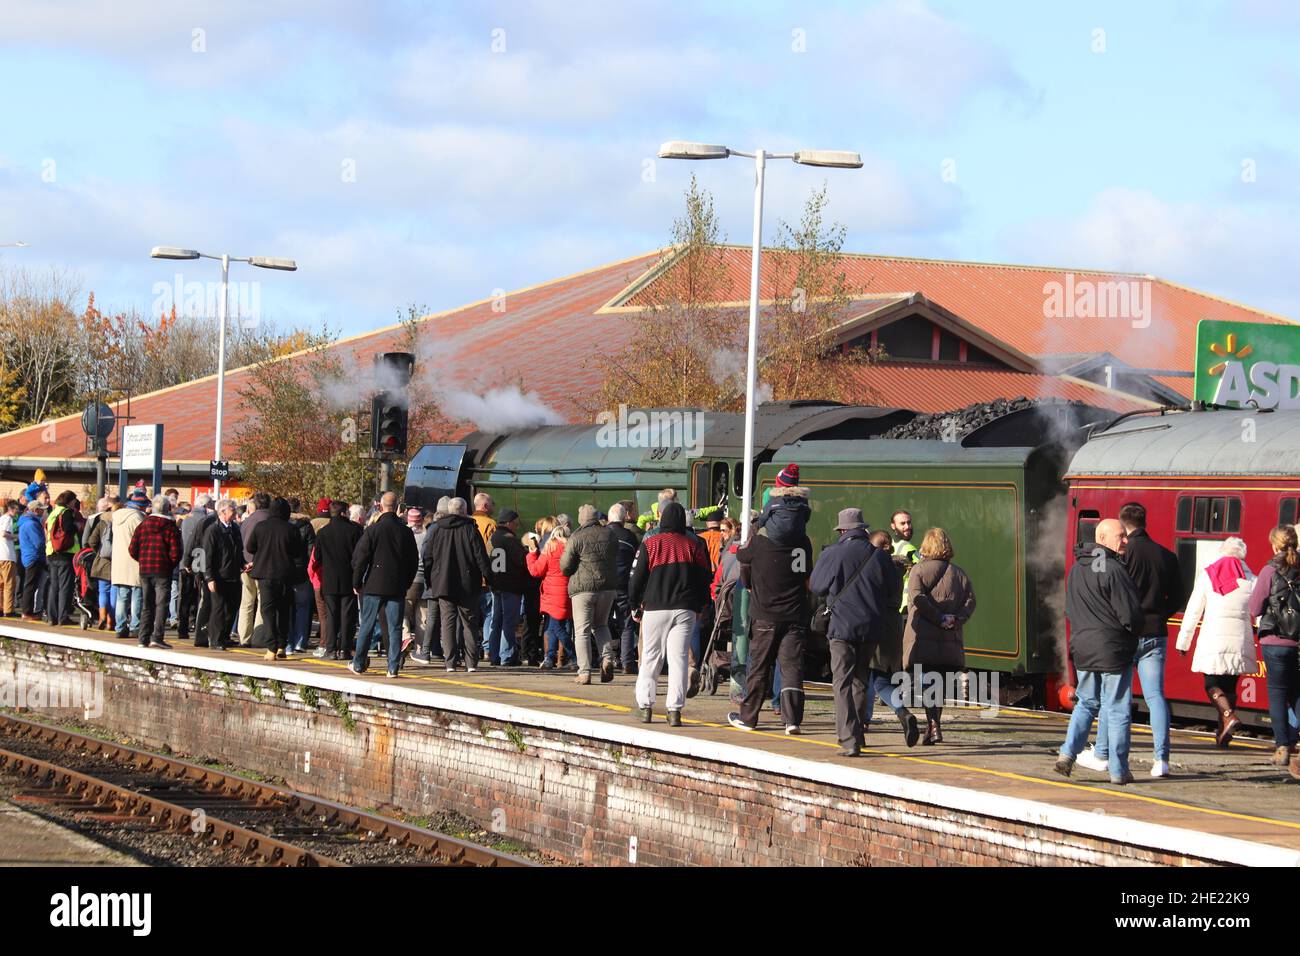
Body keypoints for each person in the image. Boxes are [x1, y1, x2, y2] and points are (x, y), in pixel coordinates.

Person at [1080, 503, 1181, 777]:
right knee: (1156, 696)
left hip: (1125, 634)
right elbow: (1179, 598)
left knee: (1113, 697)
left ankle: (1102, 753)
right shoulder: (1167, 555)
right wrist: (1158, 616)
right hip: (1156, 633)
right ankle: (1161, 760)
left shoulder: (1119, 555)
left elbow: (1107, 592)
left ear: (1124, 526)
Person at [1056, 518, 1144, 784]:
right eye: (1121, 536)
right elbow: (1130, 613)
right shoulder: (1114, 570)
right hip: (1113, 648)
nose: (1126, 540)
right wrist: (1136, 632)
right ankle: (1118, 770)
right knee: (1117, 708)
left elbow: (1069, 610)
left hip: (1083, 647)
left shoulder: (1076, 570)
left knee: (1086, 702)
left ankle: (1067, 754)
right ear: (1102, 539)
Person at [808, 509, 900, 755]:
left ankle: (849, 739)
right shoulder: (880, 557)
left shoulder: (832, 553)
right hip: (871, 627)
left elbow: (816, 586)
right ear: (863, 529)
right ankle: (859, 734)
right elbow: (893, 589)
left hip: (841, 627)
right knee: (861, 679)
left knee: (842, 682)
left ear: (842, 531)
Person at [728, 492, 813, 735]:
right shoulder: (804, 542)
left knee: (759, 666)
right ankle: (792, 720)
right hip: (795, 613)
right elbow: (806, 574)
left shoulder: (760, 542)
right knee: (792, 668)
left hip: (765, 613)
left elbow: (742, 559)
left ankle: (749, 717)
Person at [1173, 537, 1259, 754]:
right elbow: (1258, 611)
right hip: (1239, 640)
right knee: (1230, 687)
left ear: (1222, 552)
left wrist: (1184, 641)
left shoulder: (1208, 576)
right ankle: (1223, 735)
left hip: (1213, 637)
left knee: (1211, 683)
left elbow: (1193, 611)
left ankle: (1228, 717)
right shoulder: (1251, 579)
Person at [630, 501, 711, 726]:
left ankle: (645, 706)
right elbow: (705, 577)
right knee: (679, 659)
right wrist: (702, 605)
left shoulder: (651, 543)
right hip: (685, 609)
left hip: (655, 607)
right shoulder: (693, 544)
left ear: (662, 519)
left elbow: (636, 577)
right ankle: (674, 710)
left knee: (651, 656)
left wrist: (634, 604)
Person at [903, 527, 976, 746]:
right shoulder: (959, 574)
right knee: (938, 683)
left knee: (927, 681)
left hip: (923, 636)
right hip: (949, 639)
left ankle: (934, 725)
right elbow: (971, 602)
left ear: (926, 545)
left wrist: (937, 617)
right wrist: (955, 619)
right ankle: (933, 726)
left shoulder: (918, 570)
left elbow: (916, 597)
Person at [347, 491, 418, 677]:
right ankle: (392, 667)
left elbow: (360, 558)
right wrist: (406, 582)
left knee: (367, 626)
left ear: (380, 506)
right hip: (397, 586)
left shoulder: (373, 530)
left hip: (373, 585)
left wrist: (357, 581)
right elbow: (413, 561)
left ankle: (359, 663)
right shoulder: (406, 531)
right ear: (398, 507)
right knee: (395, 627)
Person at [1248, 525, 1300, 779]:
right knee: (1298, 693)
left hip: (1275, 642)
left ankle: (1282, 747)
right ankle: (1292, 740)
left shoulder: (1269, 570)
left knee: (1278, 694)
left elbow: (1255, 606)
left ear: (1275, 545)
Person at [865, 529, 920, 746]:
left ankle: (863, 721)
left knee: (869, 678)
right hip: (894, 625)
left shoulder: (874, 568)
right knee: (882, 679)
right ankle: (903, 713)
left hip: (875, 625)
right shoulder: (897, 567)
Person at [560, 503, 620, 685]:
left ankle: (584, 672)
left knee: (582, 631)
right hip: (608, 588)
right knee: (601, 626)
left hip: (583, 590)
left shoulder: (577, 537)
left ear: (581, 520)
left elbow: (565, 566)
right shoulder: (610, 534)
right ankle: (608, 658)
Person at [246, 497, 304, 661]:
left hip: (264, 574)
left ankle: (270, 647)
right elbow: (297, 552)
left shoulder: (260, 527)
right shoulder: (291, 529)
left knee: (268, 610)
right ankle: (281, 645)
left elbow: (251, 547)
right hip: (285, 575)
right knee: (283, 611)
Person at [128, 495, 182, 649]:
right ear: (168, 509)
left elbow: (132, 549)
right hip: (162, 571)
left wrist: (142, 560)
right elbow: (176, 553)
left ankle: (142, 639)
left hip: (145, 570)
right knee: (161, 604)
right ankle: (157, 637)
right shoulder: (171, 527)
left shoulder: (143, 525)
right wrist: (169, 565)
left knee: (147, 604)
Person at [312, 500, 362, 660]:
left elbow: (317, 557)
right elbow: (360, 556)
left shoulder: (323, 533)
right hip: (349, 578)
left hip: (329, 578)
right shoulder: (355, 531)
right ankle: (345, 649)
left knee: (331, 615)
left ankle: (331, 649)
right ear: (343, 513)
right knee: (348, 615)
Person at [527, 522, 574, 670]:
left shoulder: (550, 547)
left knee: (555, 627)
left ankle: (574, 657)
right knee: (554, 627)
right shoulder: (571, 548)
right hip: (567, 592)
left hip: (552, 594)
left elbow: (536, 571)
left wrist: (532, 554)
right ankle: (550, 657)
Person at [486, 508, 529, 667]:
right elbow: (522, 561)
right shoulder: (510, 539)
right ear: (509, 523)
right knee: (509, 621)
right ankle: (507, 655)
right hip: (511, 585)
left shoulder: (493, 538)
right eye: (516, 524)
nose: (517, 527)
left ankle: (494, 654)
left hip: (496, 585)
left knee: (496, 621)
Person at [197, 498, 242, 651]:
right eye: (232, 510)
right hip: (219, 575)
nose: (235, 513)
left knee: (233, 607)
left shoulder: (235, 529)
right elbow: (207, 556)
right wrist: (209, 577)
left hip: (234, 574)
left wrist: (243, 564)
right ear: (222, 512)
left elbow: (238, 550)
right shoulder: (213, 530)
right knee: (218, 608)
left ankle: (224, 635)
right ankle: (216, 639)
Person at [607, 502, 640, 674]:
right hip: (624, 585)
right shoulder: (629, 537)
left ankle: (607, 658)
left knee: (602, 624)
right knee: (626, 623)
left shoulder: (603, 534)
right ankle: (627, 661)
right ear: (623, 518)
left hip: (605, 585)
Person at [111, 489, 149, 638]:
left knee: (122, 596)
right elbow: (143, 539)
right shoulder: (137, 518)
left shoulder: (116, 516)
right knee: (136, 595)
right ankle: (135, 626)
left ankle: (119, 627)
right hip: (134, 561)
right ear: (140, 506)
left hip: (119, 561)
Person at [178, 493, 215, 643]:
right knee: (201, 597)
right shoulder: (207, 521)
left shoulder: (186, 520)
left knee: (184, 597)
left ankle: (182, 628)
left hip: (184, 562)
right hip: (199, 563)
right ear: (207, 506)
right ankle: (199, 628)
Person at [286, 497, 317, 653]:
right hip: (303, 571)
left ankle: (288, 643)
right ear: (298, 508)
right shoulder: (306, 526)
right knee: (303, 608)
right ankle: (300, 641)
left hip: (286, 571)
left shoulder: (283, 525)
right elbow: (312, 550)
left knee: (287, 607)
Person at [45, 490, 81, 626]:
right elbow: (67, 528)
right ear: (69, 501)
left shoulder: (53, 513)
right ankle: (63, 617)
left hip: (51, 552)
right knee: (65, 586)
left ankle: (51, 617)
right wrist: (76, 527)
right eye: (74, 501)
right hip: (65, 553)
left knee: (54, 586)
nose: (75, 504)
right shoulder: (65, 512)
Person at [83, 498, 119, 631]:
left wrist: (98, 551)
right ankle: (111, 621)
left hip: (102, 561)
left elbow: (91, 541)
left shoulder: (102, 523)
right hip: (117, 562)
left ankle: (102, 616)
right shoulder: (121, 523)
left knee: (103, 590)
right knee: (114, 591)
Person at [754, 465, 810, 546]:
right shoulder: (803, 501)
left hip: (776, 536)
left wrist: (757, 526)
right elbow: (807, 517)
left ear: (779, 484)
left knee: (758, 529)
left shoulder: (774, 500)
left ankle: (746, 549)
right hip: (797, 536)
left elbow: (763, 518)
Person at [471, 492, 497, 659]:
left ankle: (471, 647)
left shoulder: (467, 522)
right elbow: (494, 553)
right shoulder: (491, 524)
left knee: (470, 616)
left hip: (468, 578)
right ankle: (487, 648)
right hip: (485, 579)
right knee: (489, 614)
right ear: (486, 506)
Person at [18, 500, 47, 623]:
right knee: (30, 585)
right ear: (35, 510)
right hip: (34, 557)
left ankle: (27, 611)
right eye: (41, 509)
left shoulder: (25, 522)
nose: (43, 511)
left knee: (30, 585)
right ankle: (27, 612)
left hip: (28, 556)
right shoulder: (31, 524)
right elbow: (39, 542)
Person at [0, 499, 19, 617]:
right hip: (7, 555)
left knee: (1, 584)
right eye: (16, 509)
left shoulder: (1, 518)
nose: (17, 512)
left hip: (0, 555)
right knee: (9, 584)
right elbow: (4, 533)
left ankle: (1, 607)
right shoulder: (8, 519)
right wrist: (16, 536)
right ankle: (8, 609)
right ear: (11, 509)